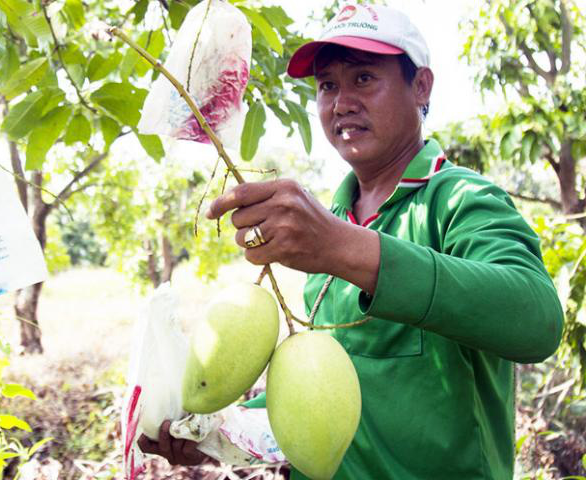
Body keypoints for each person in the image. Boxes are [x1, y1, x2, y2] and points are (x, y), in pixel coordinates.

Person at [140, 3, 564, 479]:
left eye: (363, 78)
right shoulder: (334, 219)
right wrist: (220, 431)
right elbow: (328, 388)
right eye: (327, 86)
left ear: (420, 86)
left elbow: (537, 320)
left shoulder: (460, 199)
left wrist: (344, 248)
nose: (341, 102)